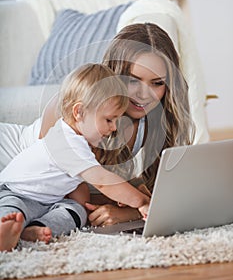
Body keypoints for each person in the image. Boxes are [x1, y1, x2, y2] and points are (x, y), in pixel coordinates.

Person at [0, 23, 195, 229]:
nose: (144, 94)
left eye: (157, 83)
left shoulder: (150, 121)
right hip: (10, 167)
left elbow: (153, 193)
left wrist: (128, 211)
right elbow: (68, 191)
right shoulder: (75, 115)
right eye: (133, 80)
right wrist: (136, 203)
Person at [0, 63, 150, 252]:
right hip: (16, 192)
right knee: (12, 211)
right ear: (79, 112)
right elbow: (103, 181)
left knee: (75, 212)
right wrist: (141, 202)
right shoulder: (66, 141)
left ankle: (32, 230)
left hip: (48, 204)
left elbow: (77, 184)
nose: (113, 128)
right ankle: (6, 230)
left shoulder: (80, 143)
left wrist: (83, 205)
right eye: (109, 120)